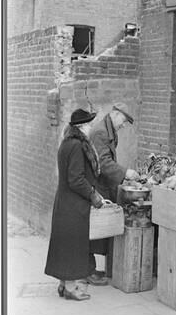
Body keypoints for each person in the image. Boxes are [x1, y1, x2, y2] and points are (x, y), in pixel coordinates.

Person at [44, 108, 104, 301]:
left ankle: (63, 285)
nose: (90, 127)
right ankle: (70, 288)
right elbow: (76, 179)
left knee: (65, 244)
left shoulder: (67, 143)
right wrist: (94, 196)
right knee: (72, 246)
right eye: (89, 124)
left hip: (65, 203)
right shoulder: (77, 146)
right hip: (73, 205)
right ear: (82, 127)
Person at [87, 102, 139, 285]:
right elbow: (104, 163)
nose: (123, 125)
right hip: (99, 184)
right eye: (123, 121)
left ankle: (96, 269)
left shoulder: (108, 129)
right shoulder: (101, 132)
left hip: (104, 183)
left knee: (102, 227)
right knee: (99, 227)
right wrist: (125, 173)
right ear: (115, 114)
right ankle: (92, 271)